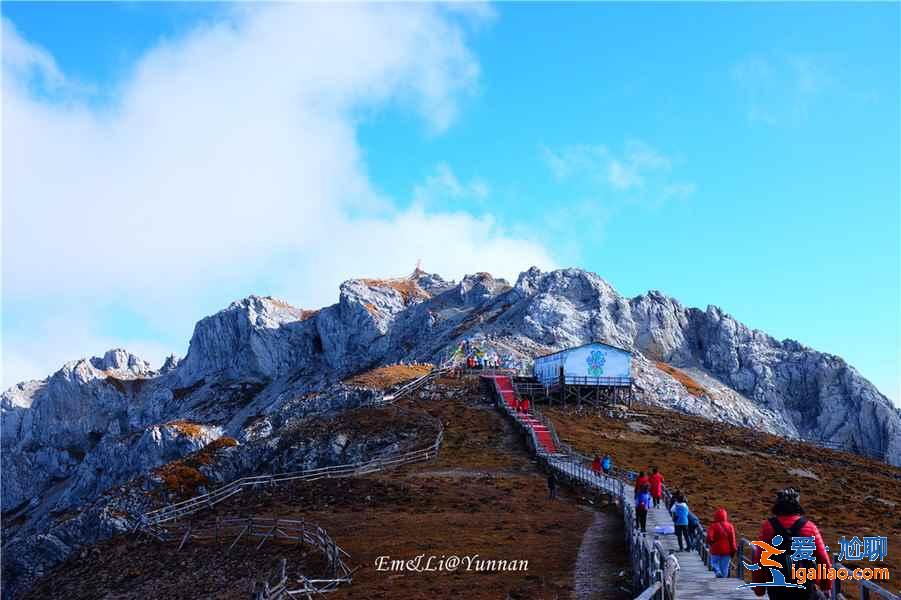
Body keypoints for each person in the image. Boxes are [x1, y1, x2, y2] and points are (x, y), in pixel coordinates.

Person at [752, 488, 832, 599]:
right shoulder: (809, 527)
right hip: (804, 587)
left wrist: (759, 589)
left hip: (777, 588)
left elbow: (759, 559)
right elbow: (823, 560)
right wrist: (826, 586)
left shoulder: (768, 527)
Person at [706, 507, 738, 578]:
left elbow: (709, 537)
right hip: (727, 550)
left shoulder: (713, 526)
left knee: (714, 562)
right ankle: (723, 580)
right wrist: (734, 549)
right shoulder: (730, 526)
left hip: (715, 549)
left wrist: (711, 543)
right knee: (725, 567)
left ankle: (717, 571)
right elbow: (732, 540)